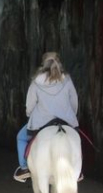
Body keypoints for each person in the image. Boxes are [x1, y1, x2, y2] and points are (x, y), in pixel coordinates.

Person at [14, 51, 79, 182]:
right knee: (75, 140)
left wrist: (29, 114)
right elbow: (74, 101)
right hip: (66, 120)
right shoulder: (67, 79)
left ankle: (24, 168)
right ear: (59, 63)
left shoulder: (36, 81)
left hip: (41, 122)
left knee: (21, 138)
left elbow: (30, 104)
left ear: (43, 64)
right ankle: (78, 170)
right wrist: (72, 115)